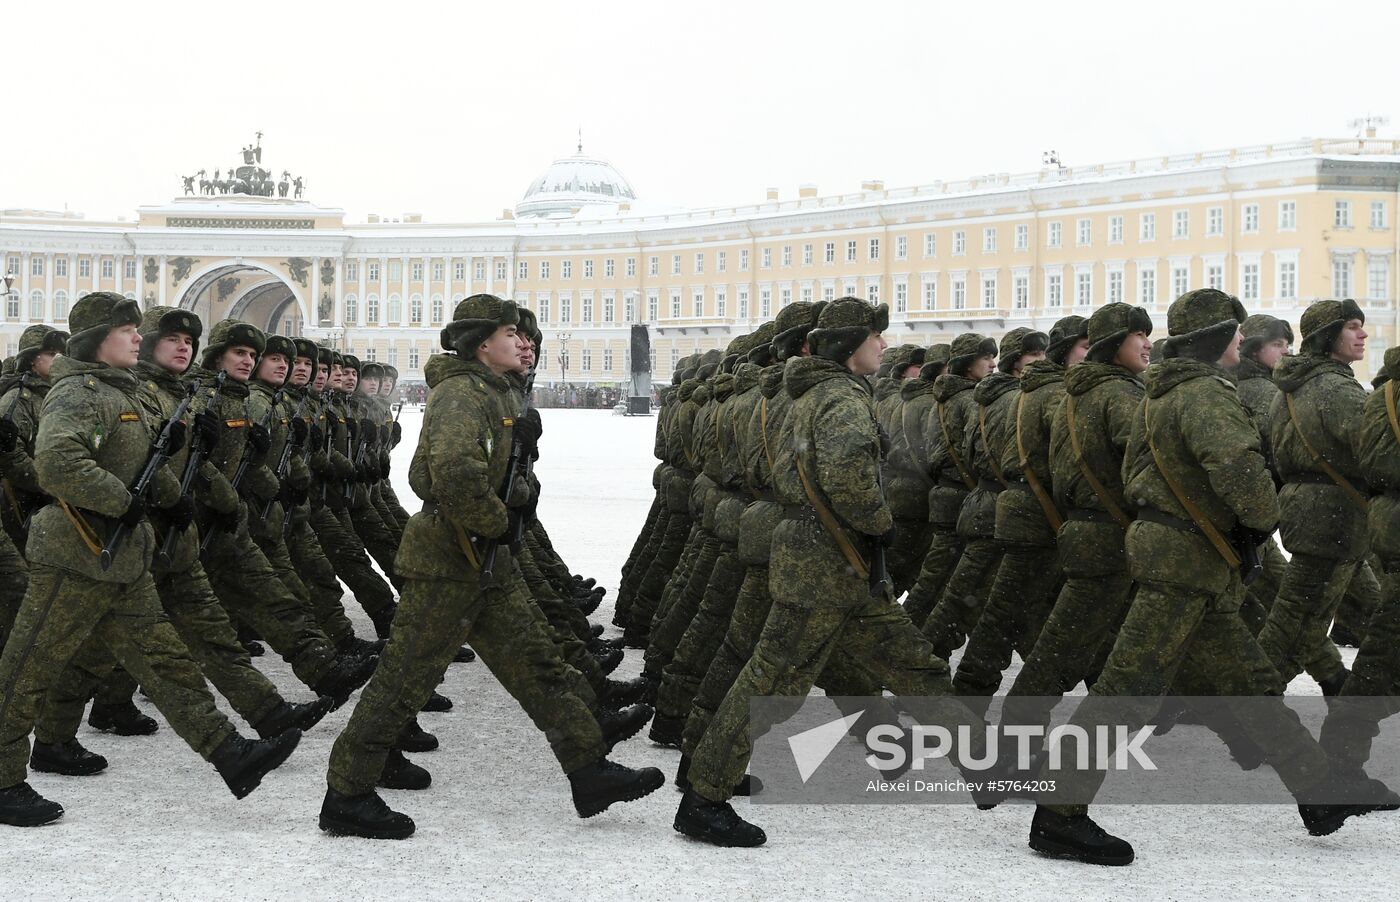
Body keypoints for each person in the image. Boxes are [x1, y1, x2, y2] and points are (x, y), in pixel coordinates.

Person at [1025, 289, 1376, 866]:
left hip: (1191, 562)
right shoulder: (1204, 394)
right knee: (1125, 693)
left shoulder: (1164, 391)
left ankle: (1318, 790)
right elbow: (1238, 469)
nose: (1242, 340)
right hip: (1183, 564)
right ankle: (1058, 814)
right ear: (1214, 339)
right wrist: (1268, 518)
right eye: (1234, 331)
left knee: (1252, 682)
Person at [321, 294, 662, 840]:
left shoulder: (491, 392)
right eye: (511, 334)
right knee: (403, 680)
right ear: (482, 344)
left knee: (536, 661)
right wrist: (498, 518)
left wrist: (518, 486)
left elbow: (468, 473)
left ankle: (588, 768)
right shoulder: (460, 393)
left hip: (483, 558)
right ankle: (347, 792)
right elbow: (447, 475)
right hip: (449, 561)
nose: (524, 343)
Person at [675, 298, 990, 848]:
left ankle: (982, 764)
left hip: (827, 560)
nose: (884, 346)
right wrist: (880, 522)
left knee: (914, 664)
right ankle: (704, 796)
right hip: (831, 560)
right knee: (774, 682)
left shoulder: (812, 392)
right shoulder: (841, 398)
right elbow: (848, 480)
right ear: (850, 344)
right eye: (876, 336)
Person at [0, 293, 302, 827]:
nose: (138, 338)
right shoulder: (77, 392)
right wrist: (126, 500)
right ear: (95, 339)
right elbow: (57, 464)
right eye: (126, 331)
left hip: (123, 557)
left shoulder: (126, 392)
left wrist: (170, 494)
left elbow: (144, 462)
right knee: (27, 670)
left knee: (166, 660)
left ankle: (229, 752)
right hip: (75, 552)